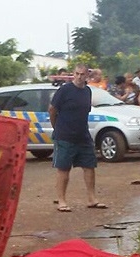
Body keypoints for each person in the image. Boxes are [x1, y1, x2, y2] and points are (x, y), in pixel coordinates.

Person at [48, 63, 106, 212]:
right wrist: (57, 128)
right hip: (65, 135)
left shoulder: (87, 91)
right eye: (77, 74)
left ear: (87, 75)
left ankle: (92, 199)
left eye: (82, 74)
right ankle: (61, 200)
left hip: (83, 135)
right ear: (73, 74)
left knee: (89, 166)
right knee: (63, 168)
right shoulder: (65, 90)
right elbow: (52, 109)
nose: (79, 77)